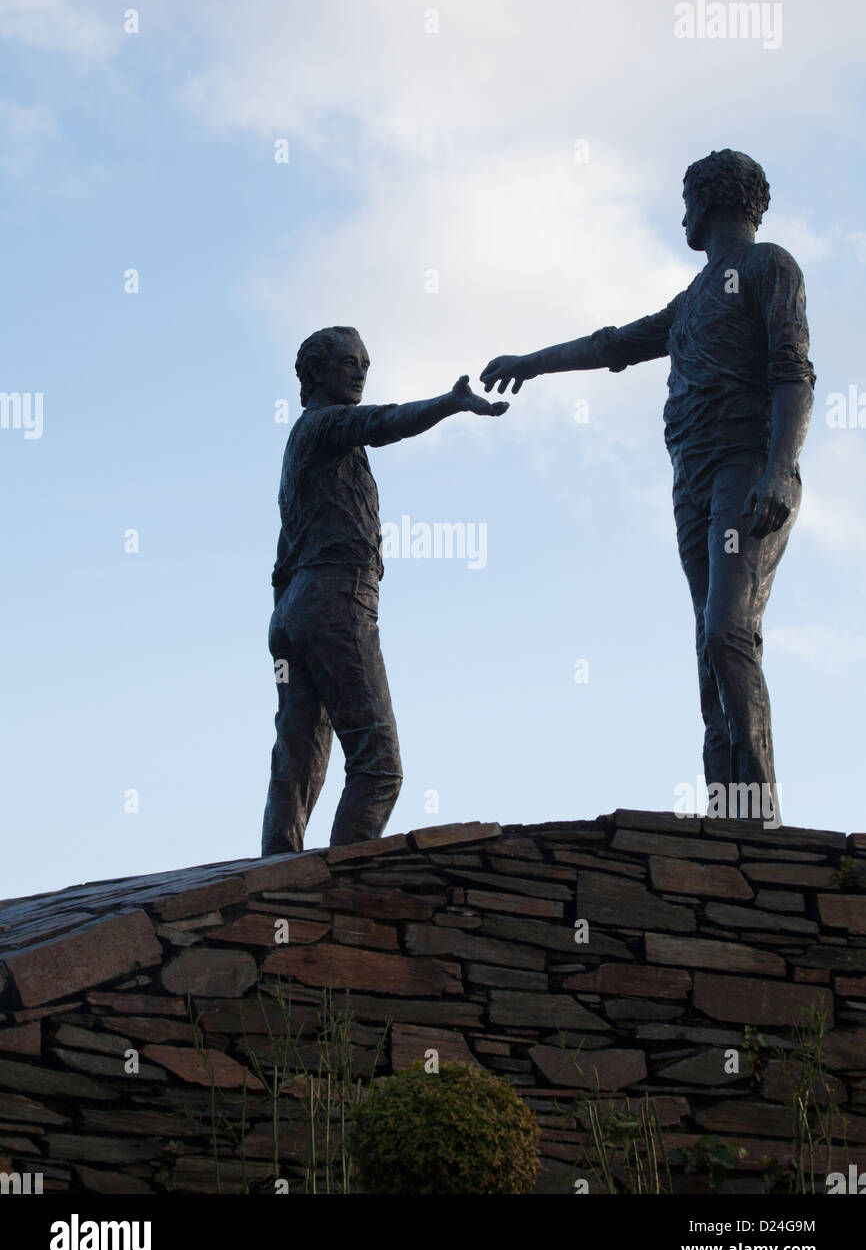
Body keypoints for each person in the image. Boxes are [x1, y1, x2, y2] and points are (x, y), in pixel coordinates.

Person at [480, 150, 814, 823]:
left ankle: (758, 820)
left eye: (687, 196)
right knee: (706, 643)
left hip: (746, 469)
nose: (682, 212)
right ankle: (729, 817)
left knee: (729, 632)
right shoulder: (691, 301)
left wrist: (779, 468)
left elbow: (793, 374)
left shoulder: (766, 265)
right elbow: (614, 345)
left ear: (715, 197)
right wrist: (532, 365)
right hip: (691, 480)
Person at [262, 325, 508, 855]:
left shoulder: (308, 447)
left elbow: (284, 553)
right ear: (315, 373)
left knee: (297, 760)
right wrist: (450, 402)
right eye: (349, 361)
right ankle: (336, 887)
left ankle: (276, 876)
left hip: (297, 608)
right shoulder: (326, 426)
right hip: (334, 599)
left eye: (366, 364)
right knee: (379, 765)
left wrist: (285, 623)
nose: (360, 371)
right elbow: (383, 422)